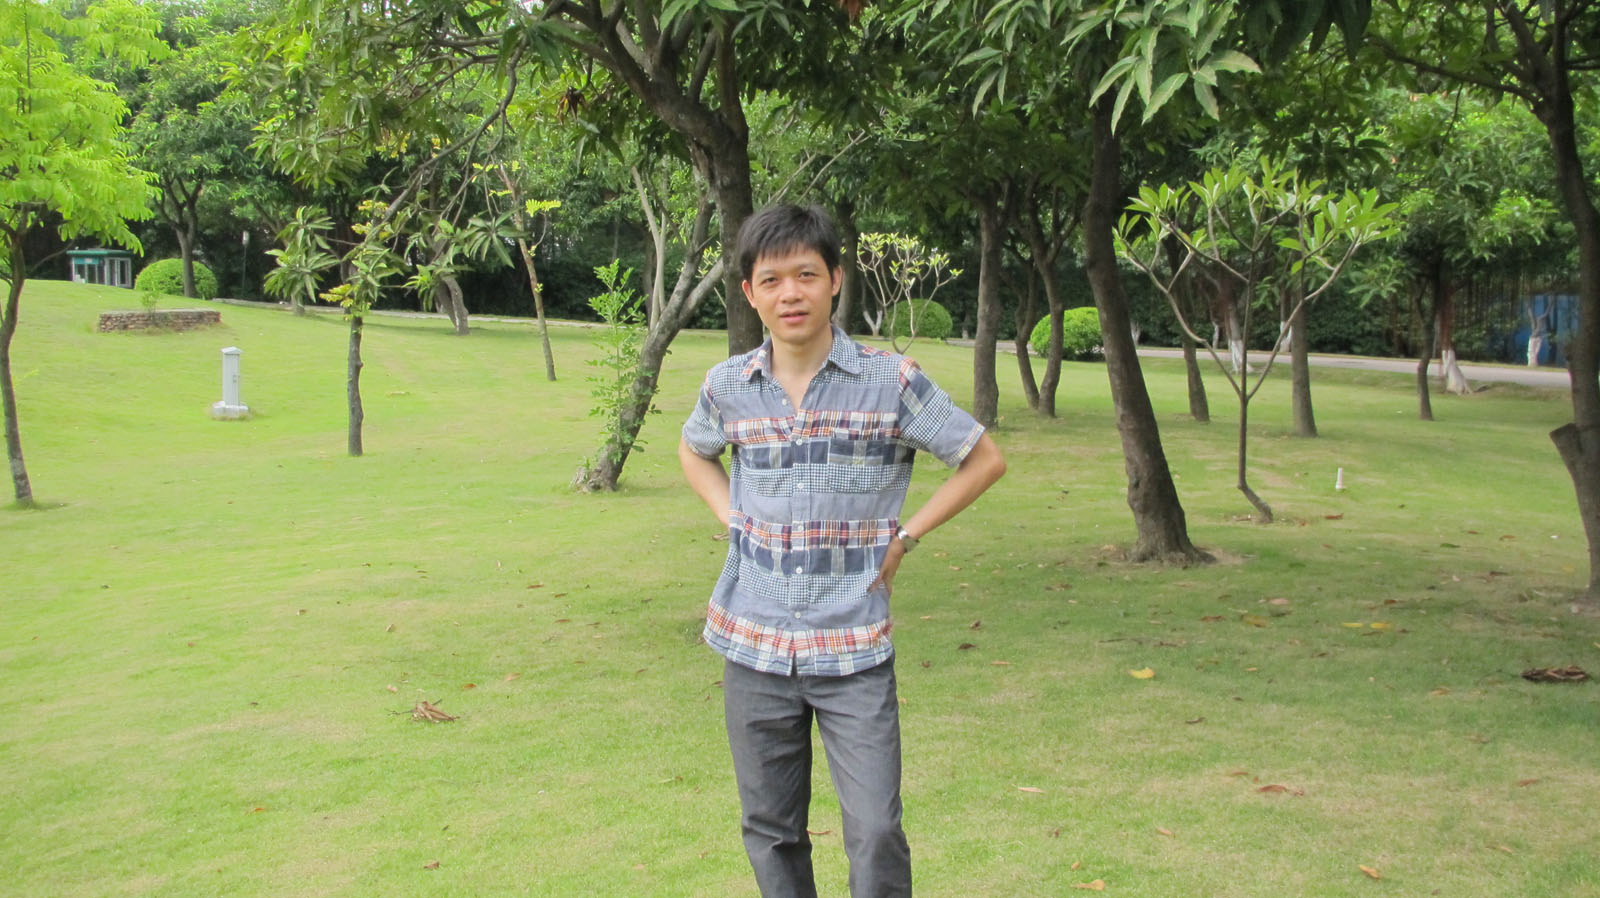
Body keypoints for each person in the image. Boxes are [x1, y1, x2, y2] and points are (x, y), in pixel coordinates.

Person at [678, 203, 1006, 898]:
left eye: (806, 274)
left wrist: (907, 536)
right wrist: (731, 513)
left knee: (876, 829)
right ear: (750, 293)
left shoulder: (891, 382)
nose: (789, 294)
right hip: (754, 643)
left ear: (835, 280)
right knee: (770, 827)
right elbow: (693, 449)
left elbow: (982, 459)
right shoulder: (728, 386)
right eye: (772, 280)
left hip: (853, 646)